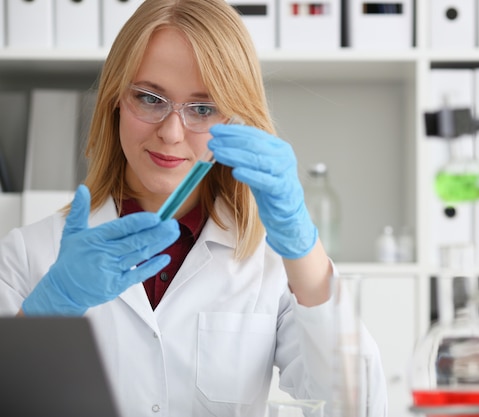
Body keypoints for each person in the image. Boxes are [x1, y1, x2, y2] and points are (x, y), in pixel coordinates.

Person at [0, 0, 388, 416]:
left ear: (236, 118)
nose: (170, 132)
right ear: (115, 97)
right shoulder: (30, 252)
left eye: (203, 109)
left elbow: (357, 404)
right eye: (150, 98)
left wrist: (302, 246)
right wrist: (50, 306)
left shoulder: (269, 264)